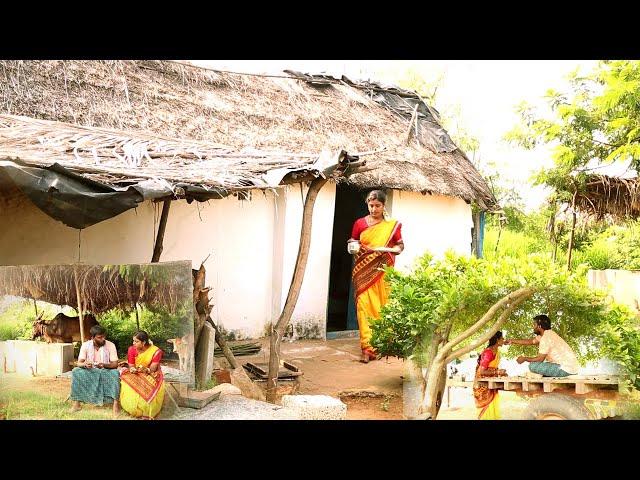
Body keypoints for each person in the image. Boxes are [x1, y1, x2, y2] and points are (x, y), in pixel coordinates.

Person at [348, 190, 404, 363]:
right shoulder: (359, 223)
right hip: (363, 272)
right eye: (371, 205)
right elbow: (352, 241)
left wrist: (388, 250)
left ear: (383, 205)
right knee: (363, 308)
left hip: (382, 271)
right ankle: (367, 348)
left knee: (381, 308)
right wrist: (353, 245)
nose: (374, 209)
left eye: (377, 206)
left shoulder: (392, 225)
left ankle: (380, 345)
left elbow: (400, 247)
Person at [70, 324, 121, 416]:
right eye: (99, 337)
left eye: (104, 337)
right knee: (76, 371)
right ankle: (77, 404)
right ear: (92, 337)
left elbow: (115, 364)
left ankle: (115, 404)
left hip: (105, 370)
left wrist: (104, 365)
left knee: (115, 373)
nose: (103, 339)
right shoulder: (85, 345)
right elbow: (79, 363)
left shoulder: (110, 345)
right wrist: (85, 364)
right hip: (90, 370)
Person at [505, 314, 579, 377]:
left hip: (566, 370)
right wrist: (512, 341)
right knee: (540, 365)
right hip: (571, 368)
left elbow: (540, 359)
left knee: (533, 366)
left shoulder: (546, 338)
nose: (533, 327)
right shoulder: (548, 334)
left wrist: (525, 358)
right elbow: (530, 341)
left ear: (539, 326)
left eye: (534, 324)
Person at [118, 330, 165, 419]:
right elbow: (131, 365)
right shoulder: (131, 349)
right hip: (136, 372)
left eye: (136, 341)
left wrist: (145, 370)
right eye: (133, 341)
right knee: (128, 383)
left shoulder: (156, 351)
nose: (134, 343)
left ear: (143, 342)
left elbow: (153, 369)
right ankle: (134, 411)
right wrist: (132, 369)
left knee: (148, 385)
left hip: (151, 373)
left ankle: (146, 412)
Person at [473, 331, 507, 420]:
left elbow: (492, 367)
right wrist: (498, 372)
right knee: (487, 411)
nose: (503, 340)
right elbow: (482, 371)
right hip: (483, 385)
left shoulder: (496, 351)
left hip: (491, 383)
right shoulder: (489, 352)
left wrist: (501, 373)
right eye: (502, 338)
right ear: (497, 340)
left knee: (493, 407)